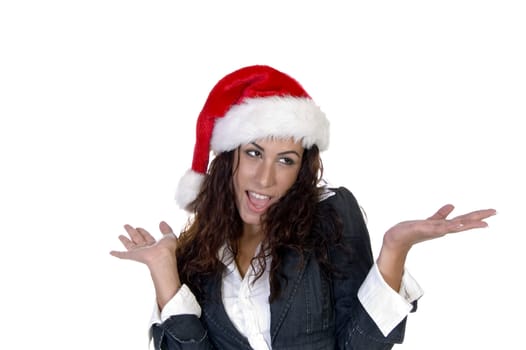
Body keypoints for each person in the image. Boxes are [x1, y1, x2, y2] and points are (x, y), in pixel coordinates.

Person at [110, 65, 496, 350]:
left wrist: (395, 247)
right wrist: (164, 271)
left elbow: (361, 345)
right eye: (254, 153)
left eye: (285, 160)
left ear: (302, 169)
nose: (264, 179)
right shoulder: (197, 255)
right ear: (230, 158)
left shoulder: (330, 217)